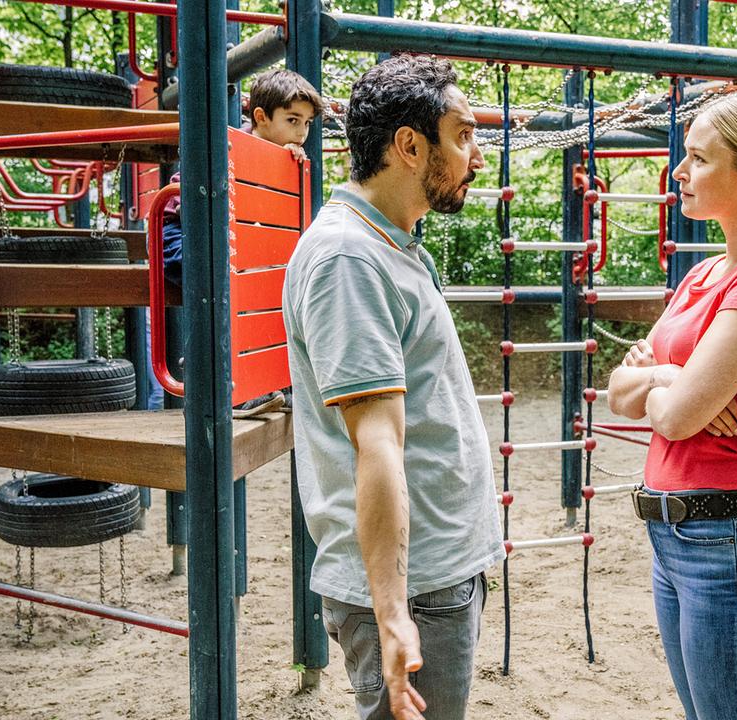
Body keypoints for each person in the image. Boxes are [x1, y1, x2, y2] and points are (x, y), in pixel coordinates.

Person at [282, 55, 501, 720]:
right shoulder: (350, 259)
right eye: (462, 135)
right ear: (410, 145)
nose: (477, 157)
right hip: (416, 589)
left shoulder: (393, 243)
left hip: (437, 573)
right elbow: (376, 447)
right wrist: (392, 612)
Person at [606, 91, 737, 720]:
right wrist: (677, 376)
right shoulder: (703, 275)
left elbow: (673, 418)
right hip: (675, 536)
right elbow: (618, 393)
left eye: (698, 159)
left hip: (729, 541)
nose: (679, 172)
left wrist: (665, 386)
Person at [159, 68, 323, 287]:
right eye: (293, 120)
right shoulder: (231, 148)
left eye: (307, 123)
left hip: (224, 237)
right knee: (214, 268)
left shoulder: (285, 160)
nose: (302, 133)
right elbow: (185, 199)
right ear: (261, 117)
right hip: (179, 234)